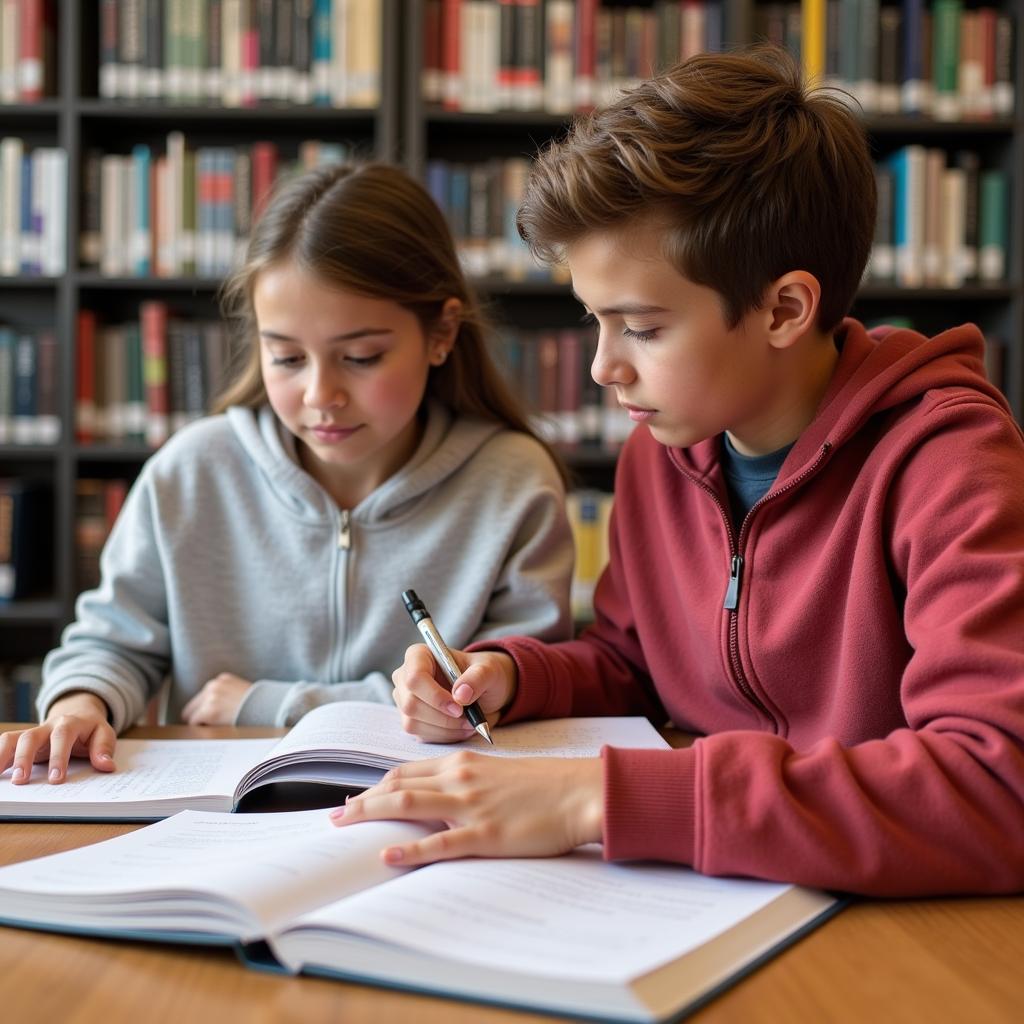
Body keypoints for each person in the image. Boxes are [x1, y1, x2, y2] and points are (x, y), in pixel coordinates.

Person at [334, 47, 1024, 897]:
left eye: (643, 328)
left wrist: (601, 797)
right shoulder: (664, 450)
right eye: (595, 321)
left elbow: (998, 787)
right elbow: (635, 660)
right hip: (711, 888)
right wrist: (510, 675)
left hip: (889, 922)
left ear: (783, 309)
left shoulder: (947, 462)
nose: (601, 368)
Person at [1, 163, 574, 784]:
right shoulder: (192, 471)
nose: (321, 395)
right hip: (220, 815)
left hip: (426, 809)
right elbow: (111, 641)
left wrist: (268, 702)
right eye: (287, 357)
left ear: (440, 333)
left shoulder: (513, 482)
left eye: (361, 357)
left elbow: (512, 688)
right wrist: (82, 701)